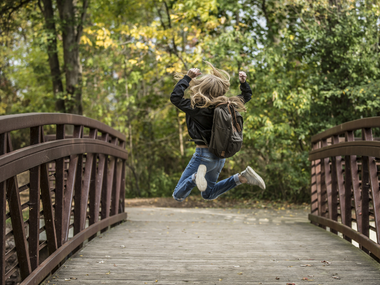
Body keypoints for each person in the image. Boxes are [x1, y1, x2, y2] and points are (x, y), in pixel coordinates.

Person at [170, 62, 265, 202]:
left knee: (178, 195)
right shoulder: (228, 106)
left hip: (203, 156)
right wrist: (243, 83)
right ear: (221, 90)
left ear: (202, 88)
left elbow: (175, 98)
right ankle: (241, 177)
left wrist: (187, 77)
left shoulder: (196, 107)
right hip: (219, 157)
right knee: (208, 194)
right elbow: (246, 97)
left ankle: (195, 178)